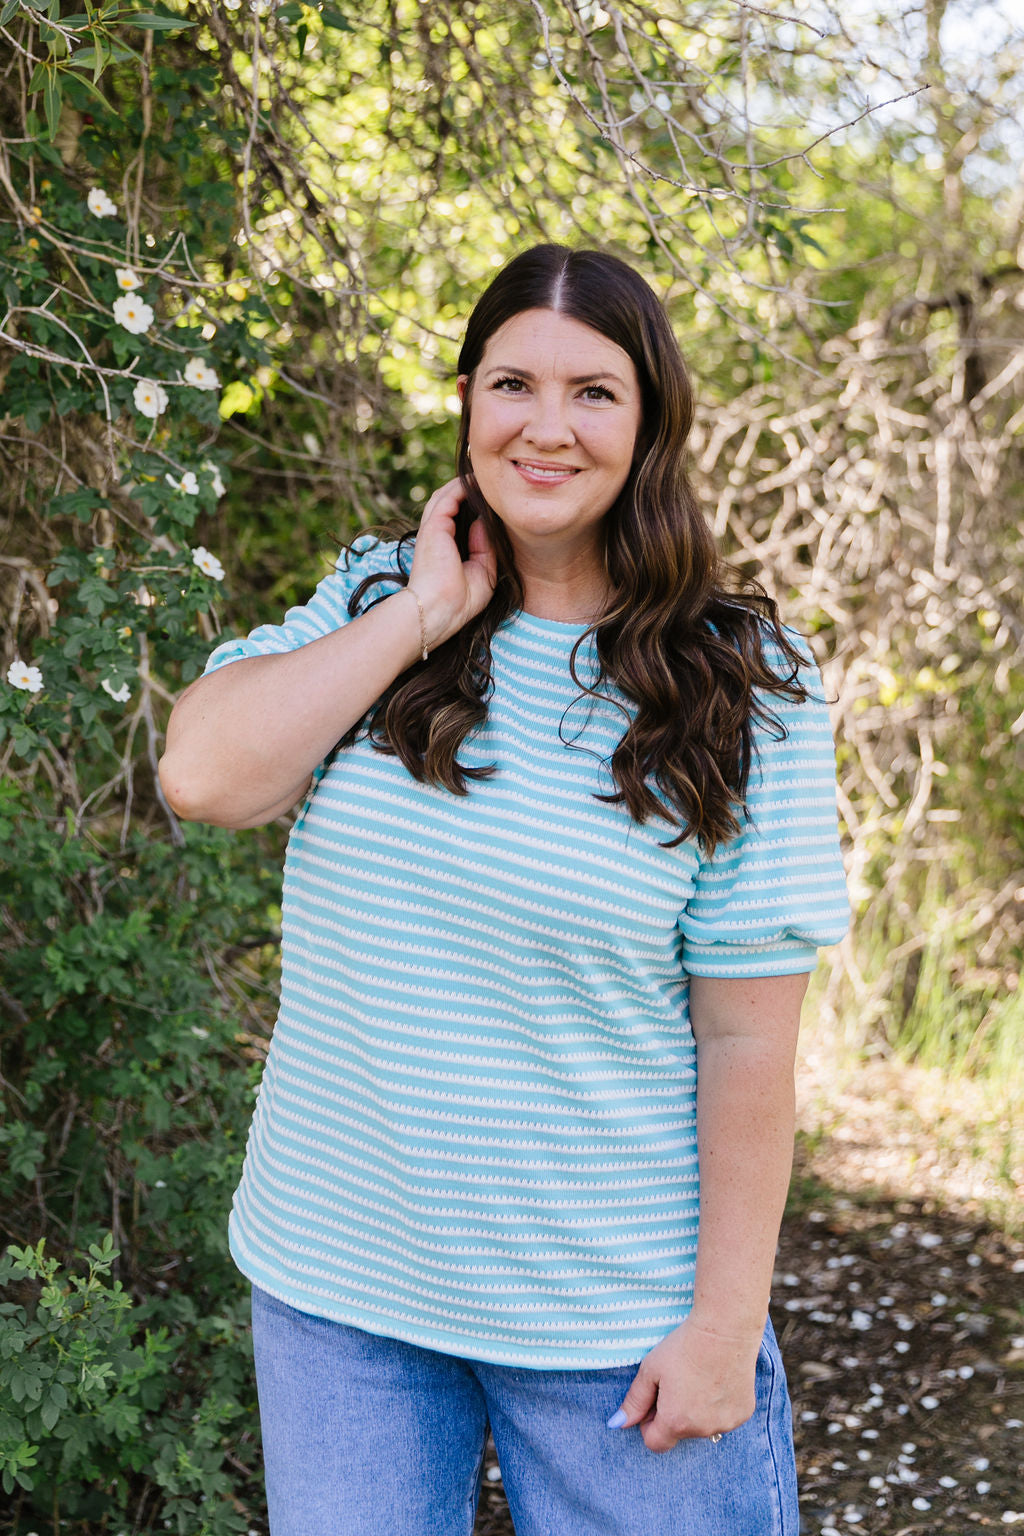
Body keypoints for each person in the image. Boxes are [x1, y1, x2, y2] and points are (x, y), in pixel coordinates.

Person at [159, 244, 849, 1536]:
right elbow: (203, 774)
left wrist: (725, 1322)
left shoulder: (742, 682)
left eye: (593, 392)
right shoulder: (377, 601)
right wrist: (424, 612)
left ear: (650, 421)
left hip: (614, 1319)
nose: (546, 427)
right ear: (469, 404)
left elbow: (749, 1036)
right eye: (512, 385)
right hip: (344, 1296)